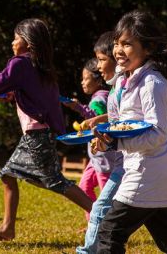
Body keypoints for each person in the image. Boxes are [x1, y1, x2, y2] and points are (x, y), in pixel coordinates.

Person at [0, 18, 93, 241]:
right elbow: (38, 96)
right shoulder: (40, 66)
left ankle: (100, 215)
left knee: (55, 181)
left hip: (36, 135)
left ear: (28, 42)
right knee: (8, 175)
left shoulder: (20, 64)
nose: (12, 42)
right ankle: (8, 228)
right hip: (38, 133)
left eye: (16, 37)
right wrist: (14, 95)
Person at [92, 10, 167, 253]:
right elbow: (124, 124)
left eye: (127, 44)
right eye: (116, 44)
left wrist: (116, 144)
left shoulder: (152, 83)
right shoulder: (125, 80)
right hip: (147, 173)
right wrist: (106, 137)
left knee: (109, 233)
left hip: (146, 174)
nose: (118, 50)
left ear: (148, 48)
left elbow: (156, 134)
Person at [63, 56, 121, 221]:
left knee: (105, 195)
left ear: (97, 80)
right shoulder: (102, 96)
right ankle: (93, 223)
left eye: (85, 78)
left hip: (104, 159)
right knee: (84, 186)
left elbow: (97, 118)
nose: (82, 82)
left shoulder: (99, 99)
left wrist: (78, 108)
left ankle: (103, 224)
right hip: (95, 159)